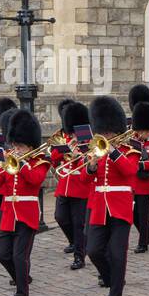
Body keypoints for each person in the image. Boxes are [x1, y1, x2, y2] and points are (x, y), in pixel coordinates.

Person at [84, 96, 140, 296]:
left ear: (116, 130)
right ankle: (112, 280)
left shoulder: (129, 150)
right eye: (102, 132)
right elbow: (83, 179)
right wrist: (90, 167)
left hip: (120, 207)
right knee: (94, 250)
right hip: (99, 207)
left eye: (108, 132)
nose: (105, 136)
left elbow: (131, 172)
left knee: (117, 254)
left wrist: (113, 152)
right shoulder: (96, 151)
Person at [0, 108, 48, 296]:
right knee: (2, 254)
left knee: (19, 256)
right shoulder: (9, 160)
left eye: (20, 145)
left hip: (26, 213)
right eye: (14, 144)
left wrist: (22, 162)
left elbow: (36, 180)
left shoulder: (40, 161)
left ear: (30, 145)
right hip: (8, 213)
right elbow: (0, 185)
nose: (16, 148)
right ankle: (22, 279)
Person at [52, 100, 92, 270]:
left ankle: (79, 256)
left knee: (78, 224)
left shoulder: (89, 140)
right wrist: (65, 150)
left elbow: (90, 163)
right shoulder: (67, 139)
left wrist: (79, 155)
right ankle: (76, 243)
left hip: (81, 188)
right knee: (60, 217)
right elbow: (54, 159)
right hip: (64, 186)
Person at [128, 96, 149, 253]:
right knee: (134, 215)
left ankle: (143, 243)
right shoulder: (132, 142)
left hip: (145, 185)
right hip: (133, 184)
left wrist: (138, 164)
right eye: (139, 129)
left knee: (143, 215)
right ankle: (148, 230)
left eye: (143, 130)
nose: (140, 133)